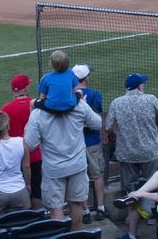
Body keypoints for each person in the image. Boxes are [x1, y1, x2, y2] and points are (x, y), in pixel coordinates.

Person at [23, 92, 101, 230]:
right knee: (76, 204)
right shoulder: (79, 104)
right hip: (77, 165)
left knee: (55, 208)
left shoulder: (38, 113)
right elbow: (97, 123)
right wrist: (83, 103)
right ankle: (76, 235)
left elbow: (30, 145)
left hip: (54, 169)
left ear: (43, 94)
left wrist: (31, 113)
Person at [104, 73, 158, 191]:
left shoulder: (116, 102)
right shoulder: (151, 99)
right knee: (153, 186)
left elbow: (107, 128)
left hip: (127, 153)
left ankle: (132, 209)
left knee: (129, 190)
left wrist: (115, 134)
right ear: (139, 87)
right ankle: (152, 208)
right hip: (149, 152)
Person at [1, 74, 42, 208]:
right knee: (36, 191)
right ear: (24, 89)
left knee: (19, 189)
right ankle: (38, 218)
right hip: (36, 154)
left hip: (15, 156)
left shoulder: (6, 109)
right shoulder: (36, 105)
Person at [73, 64, 105, 222]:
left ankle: (85, 212)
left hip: (76, 143)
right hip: (92, 141)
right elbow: (98, 115)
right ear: (85, 79)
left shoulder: (69, 96)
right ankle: (100, 208)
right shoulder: (96, 94)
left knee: (80, 177)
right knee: (97, 175)